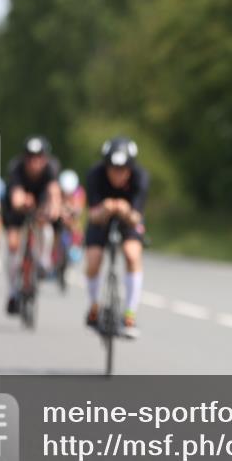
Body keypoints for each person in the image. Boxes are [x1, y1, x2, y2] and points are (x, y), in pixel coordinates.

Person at [83, 137, 149, 339]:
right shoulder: (95, 175)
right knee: (94, 260)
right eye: (113, 168)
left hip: (127, 220)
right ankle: (94, 305)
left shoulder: (141, 177)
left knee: (131, 254)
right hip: (101, 219)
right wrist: (105, 209)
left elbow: (137, 216)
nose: (118, 173)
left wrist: (124, 210)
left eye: (123, 169)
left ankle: (129, 313)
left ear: (130, 168)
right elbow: (92, 214)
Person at [2, 136, 61, 315]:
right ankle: (13, 292)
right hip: (17, 205)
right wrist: (23, 203)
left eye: (39, 157)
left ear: (45, 158)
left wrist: (52, 210)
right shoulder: (16, 168)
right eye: (30, 157)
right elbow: (16, 196)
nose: (34, 162)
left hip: (40, 200)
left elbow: (54, 193)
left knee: (47, 225)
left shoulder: (51, 168)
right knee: (13, 246)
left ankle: (43, 260)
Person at [56, 169, 85, 266]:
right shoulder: (57, 190)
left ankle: (75, 246)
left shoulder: (79, 192)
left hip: (72, 218)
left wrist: (70, 211)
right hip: (59, 218)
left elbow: (78, 208)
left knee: (76, 226)